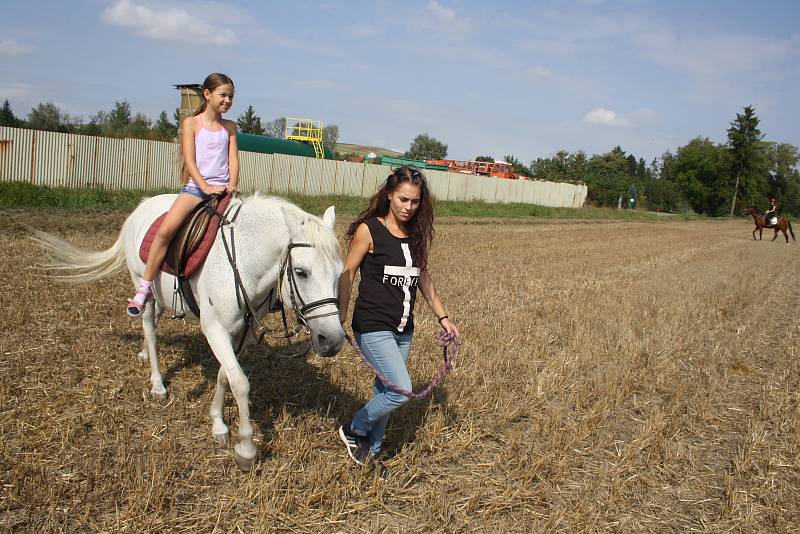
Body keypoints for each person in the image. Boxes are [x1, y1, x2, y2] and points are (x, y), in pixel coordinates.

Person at [336, 166, 460, 468]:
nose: (409, 207)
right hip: (373, 325)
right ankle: (354, 428)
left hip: (404, 328)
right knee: (400, 390)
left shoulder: (414, 235)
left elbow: (423, 279)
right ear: (389, 195)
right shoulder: (370, 230)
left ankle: (371, 452)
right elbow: (347, 273)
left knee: (385, 390)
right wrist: (339, 315)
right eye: (403, 199)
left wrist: (443, 318)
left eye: (415, 202)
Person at [127, 73, 239, 316]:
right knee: (166, 231)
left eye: (231, 96)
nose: (228, 100)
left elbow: (233, 158)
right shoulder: (192, 124)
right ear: (207, 94)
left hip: (224, 190)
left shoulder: (229, 127)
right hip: (197, 189)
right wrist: (206, 187)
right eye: (223, 95)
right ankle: (144, 288)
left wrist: (232, 184)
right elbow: (190, 161)